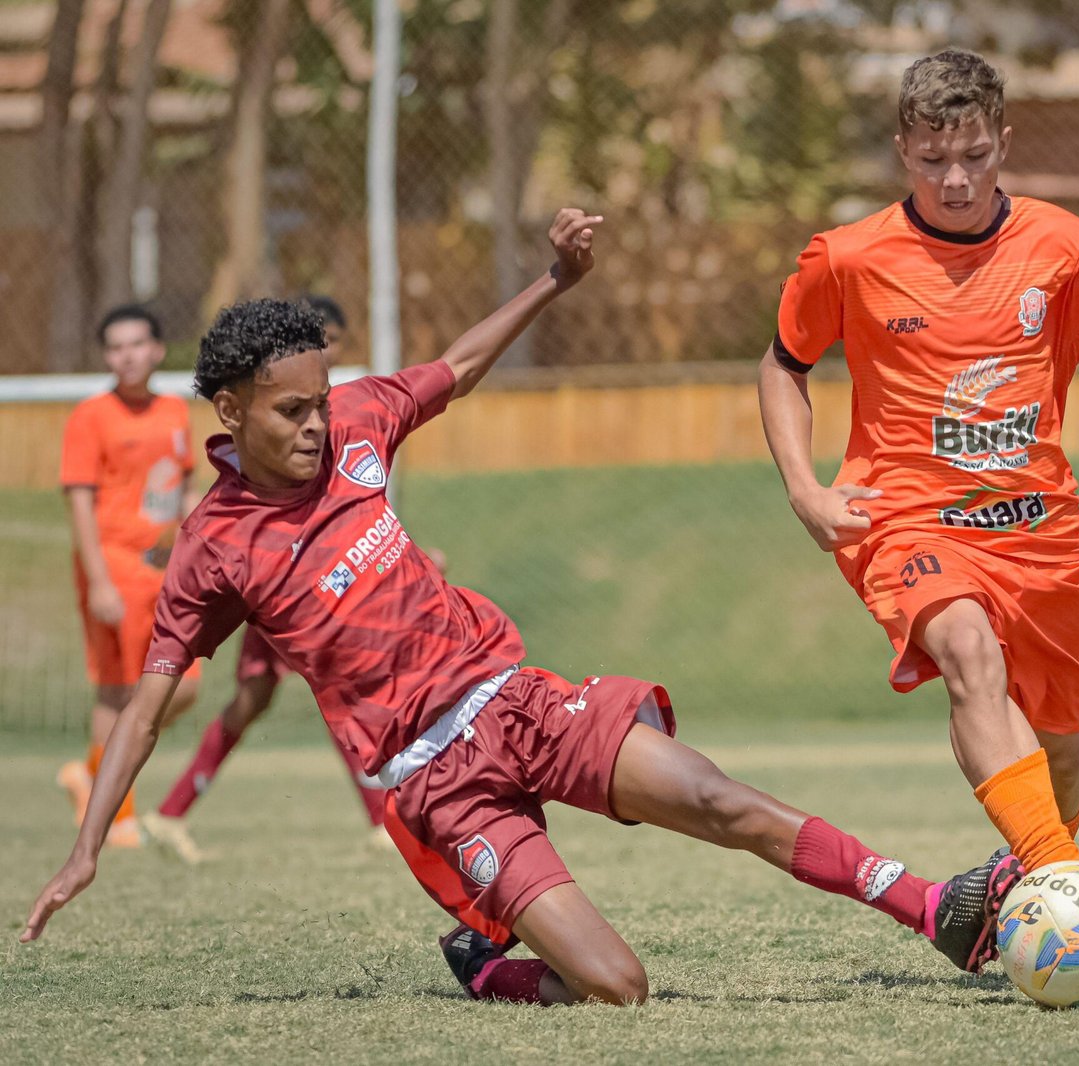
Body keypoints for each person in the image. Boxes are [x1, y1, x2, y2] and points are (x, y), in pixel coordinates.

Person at [22, 210, 1022, 1007]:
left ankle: (935, 906)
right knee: (615, 986)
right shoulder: (213, 546)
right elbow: (149, 706)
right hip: (439, 785)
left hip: (516, 702)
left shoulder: (361, 420)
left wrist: (556, 278)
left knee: (723, 800)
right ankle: (491, 964)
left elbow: (454, 368)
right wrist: (85, 846)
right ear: (231, 411)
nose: (319, 425)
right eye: (292, 411)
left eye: (323, 401)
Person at [756, 51, 1079, 915]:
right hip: (906, 518)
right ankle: (1069, 889)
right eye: (932, 160)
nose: (955, 179)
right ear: (901, 152)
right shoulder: (846, 257)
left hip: (1041, 533)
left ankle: (1033, 875)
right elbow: (783, 364)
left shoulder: (1061, 246)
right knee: (966, 654)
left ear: (1004, 143)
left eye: (976, 155)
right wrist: (806, 489)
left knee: (1060, 748)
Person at [141, 296, 403, 864]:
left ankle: (172, 811)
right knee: (332, 685)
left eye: (333, 340)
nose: (325, 351)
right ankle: (381, 819)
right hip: (284, 587)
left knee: (256, 699)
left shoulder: (335, 411)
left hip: (316, 581)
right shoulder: (275, 424)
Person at [57, 306, 204, 848]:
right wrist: (98, 580)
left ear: (158, 349)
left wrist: (198, 545)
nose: (128, 355)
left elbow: (184, 489)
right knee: (118, 692)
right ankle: (116, 815)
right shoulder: (91, 416)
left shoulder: (172, 411)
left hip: (166, 572)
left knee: (181, 688)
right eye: (116, 347)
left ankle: (91, 774)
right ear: (106, 357)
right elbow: (78, 502)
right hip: (115, 568)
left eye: (137, 343)